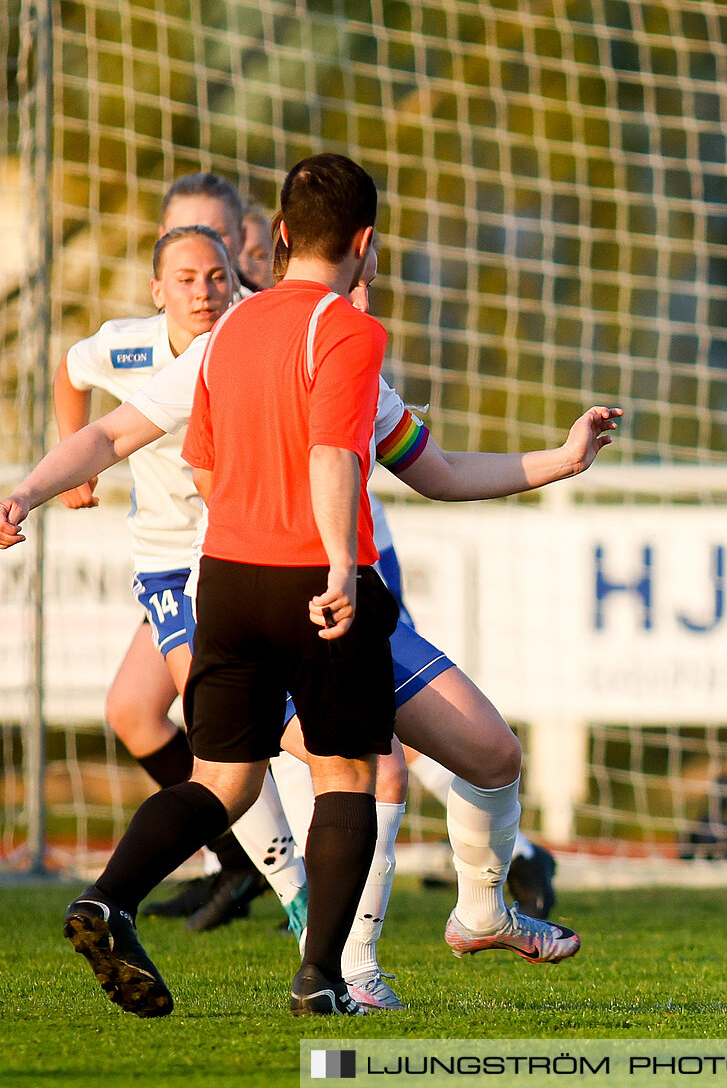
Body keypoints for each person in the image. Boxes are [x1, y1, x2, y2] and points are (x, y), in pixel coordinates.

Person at [5, 264, 615, 1013]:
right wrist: (331, 556)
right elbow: (357, 462)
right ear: (355, 255)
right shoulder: (336, 337)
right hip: (324, 591)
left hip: (229, 589)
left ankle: (110, 901)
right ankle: (336, 972)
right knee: (356, 775)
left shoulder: (229, 340)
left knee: (239, 780)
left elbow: (127, 438)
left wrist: (25, 492)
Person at [58, 177, 282, 933]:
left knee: (291, 734)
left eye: (217, 259)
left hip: (254, 552)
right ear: (160, 280)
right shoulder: (129, 342)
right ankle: (250, 864)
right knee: (143, 709)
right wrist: (72, 462)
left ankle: (282, 876)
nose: (203, 283)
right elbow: (72, 368)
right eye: (183, 264)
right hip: (171, 561)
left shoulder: (259, 330)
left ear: (239, 252)